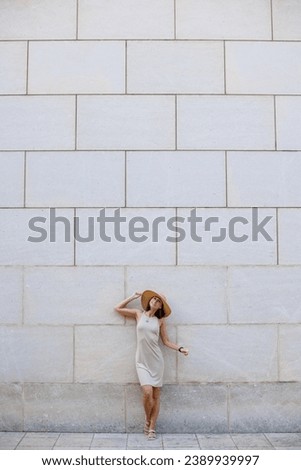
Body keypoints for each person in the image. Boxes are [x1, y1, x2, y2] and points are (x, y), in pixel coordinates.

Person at [114, 290, 189, 440]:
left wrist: (180, 349)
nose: (155, 301)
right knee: (147, 392)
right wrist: (133, 297)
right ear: (149, 301)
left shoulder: (160, 321)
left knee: (156, 395)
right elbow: (117, 308)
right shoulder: (138, 314)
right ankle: (147, 419)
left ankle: (152, 427)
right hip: (141, 360)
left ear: (161, 306)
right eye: (154, 299)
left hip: (156, 361)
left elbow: (166, 341)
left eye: (159, 300)